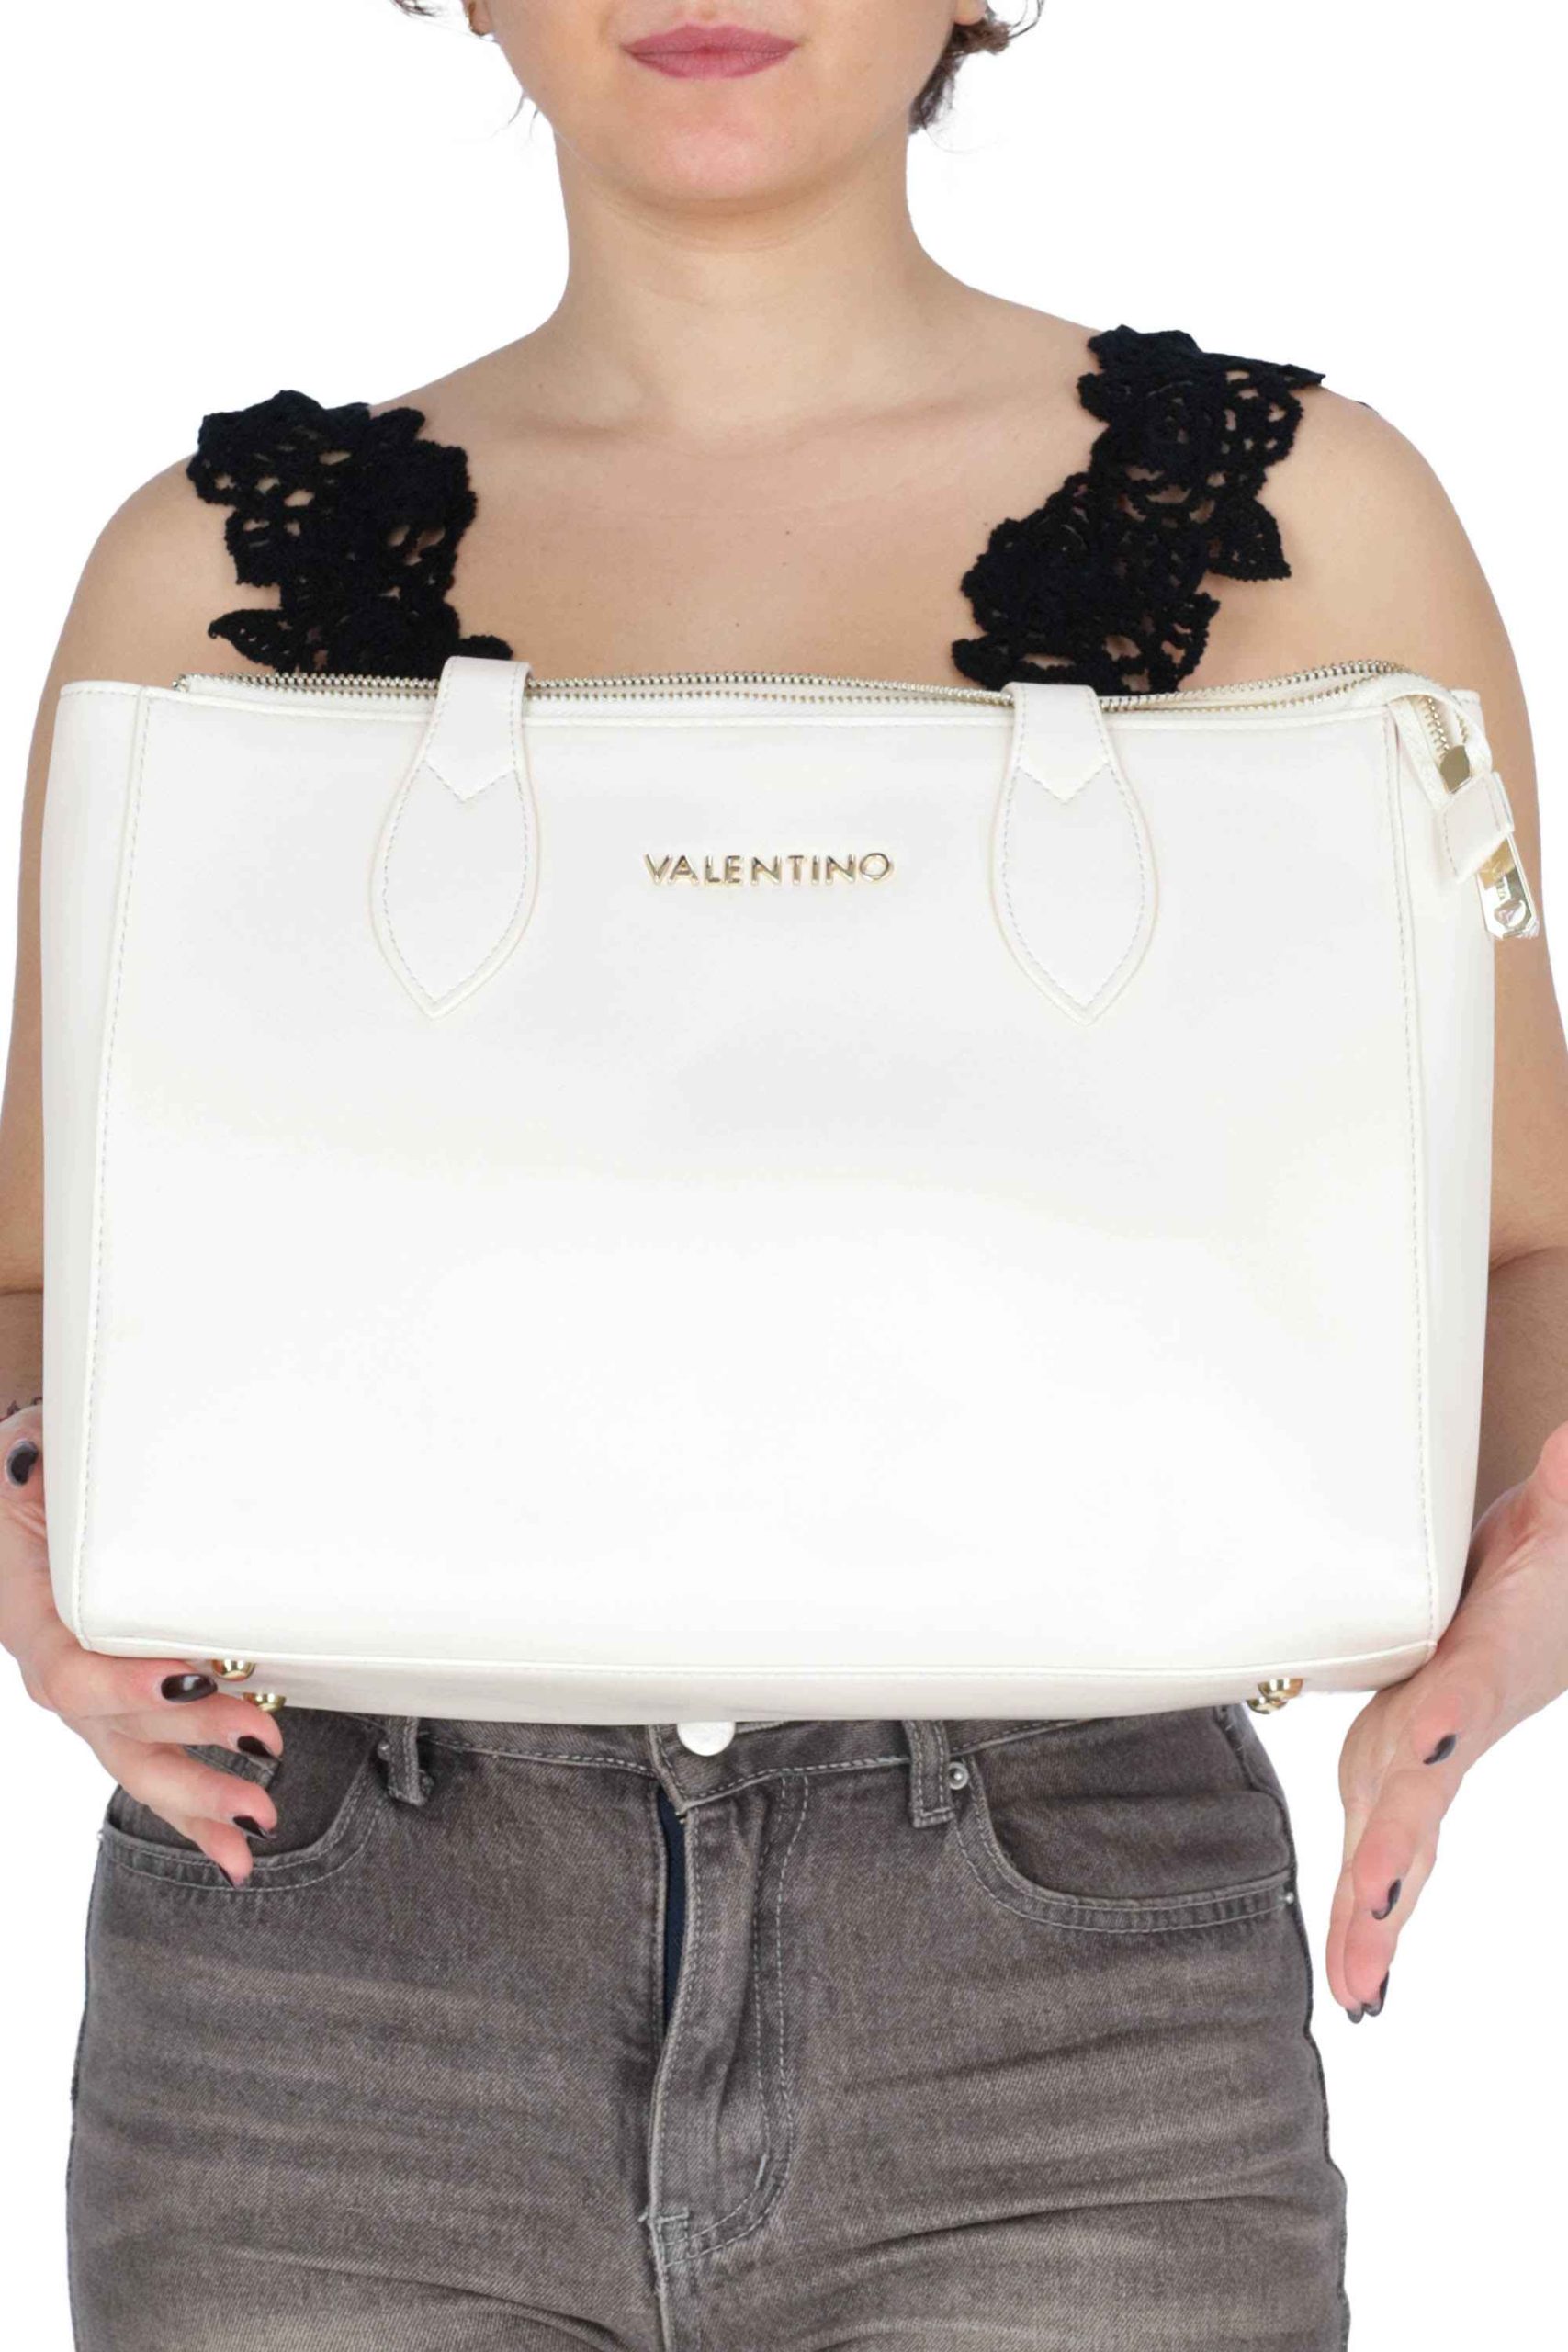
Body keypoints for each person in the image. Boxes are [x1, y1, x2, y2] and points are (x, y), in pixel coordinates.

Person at [3, 6, 1566, 2346]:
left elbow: (1517, 1235)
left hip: (1071, 1990)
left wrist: (1519, 1593)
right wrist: (37, 1545)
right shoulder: (197, 576)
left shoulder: (1305, 523)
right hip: (322, 1984)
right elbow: (48, 1284)